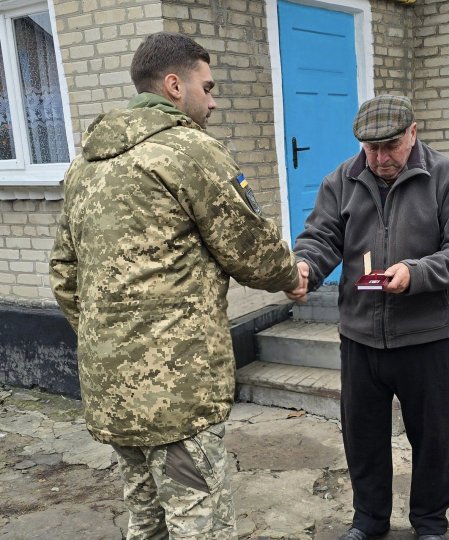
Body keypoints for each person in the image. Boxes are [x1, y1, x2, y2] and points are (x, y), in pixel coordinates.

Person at [49, 32, 303, 538]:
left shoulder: (86, 165)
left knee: (145, 518)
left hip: (110, 386)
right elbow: (249, 246)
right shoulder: (190, 150)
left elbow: (63, 273)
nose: (213, 101)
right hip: (177, 390)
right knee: (198, 521)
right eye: (207, 88)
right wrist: (289, 276)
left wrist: (109, 337)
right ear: (173, 85)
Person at [285, 95, 449, 539]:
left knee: (430, 440)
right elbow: (320, 238)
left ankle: (430, 523)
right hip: (360, 336)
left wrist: (415, 273)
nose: (379, 158)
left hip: (426, 336)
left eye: (390, 145)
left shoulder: (444, 177)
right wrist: (305, 268)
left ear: (413, 132)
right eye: (369, 148)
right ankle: (369, 521)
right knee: (364, 439)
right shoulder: (342, 180)